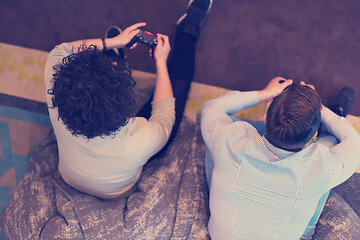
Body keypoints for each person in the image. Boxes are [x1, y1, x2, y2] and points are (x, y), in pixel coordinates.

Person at [44, 0, 212, 199]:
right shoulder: (139, 142)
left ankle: (109, 59)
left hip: (71, 177)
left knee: (94, 78)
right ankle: (189, 30)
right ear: (123, 106)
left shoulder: (55, 83)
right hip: (118, 193)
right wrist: (161, 64)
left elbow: (61, 51)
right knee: (178, 83)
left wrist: (112, 42)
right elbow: (164, 115)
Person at [201, 77, 360, 239]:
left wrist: (266, 93)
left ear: (265, 118)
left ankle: (281, 130)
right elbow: (354, 143)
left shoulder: (228, 139)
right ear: (314, 135)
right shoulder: (320, 168)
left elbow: (212, 106)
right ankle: (336, 114)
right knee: (332, 144)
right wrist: (320, 108)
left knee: (223, 129)